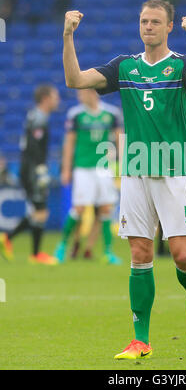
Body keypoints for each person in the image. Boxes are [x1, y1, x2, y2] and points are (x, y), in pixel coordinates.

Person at [62, 0, 186, 359]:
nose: (148, 26)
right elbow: (74, 80)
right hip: (134, 170)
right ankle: (141, 340)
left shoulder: (181, 65)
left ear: (169, 26)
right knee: (140, 252)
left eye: (155, 22)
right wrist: (67, 36)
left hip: (174, 167)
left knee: (180, 256)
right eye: (144, 21)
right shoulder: (124, 67)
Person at [54, 88, 122, 265]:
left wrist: (122, 165)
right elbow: (69, 143)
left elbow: (120, 140)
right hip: (83, 168)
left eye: (82, 93)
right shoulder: (75, 114)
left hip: (104, 168)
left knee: (106, 208)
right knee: (79, 208)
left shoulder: (111, 114)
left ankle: (108, 252)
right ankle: (61, 246)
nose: (79, 97)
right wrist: (66, 169)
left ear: (92, 93)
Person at [0, 85, 60, 264]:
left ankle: (8, 239)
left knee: (38, 211)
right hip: (33, 170)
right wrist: (40, 169)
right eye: (55, 96)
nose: (58, 100)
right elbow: (33, 147)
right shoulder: (39, 118)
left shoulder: (35, 116)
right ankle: (34, 254)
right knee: (41, 211)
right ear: (45, 98)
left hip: (29, 169)